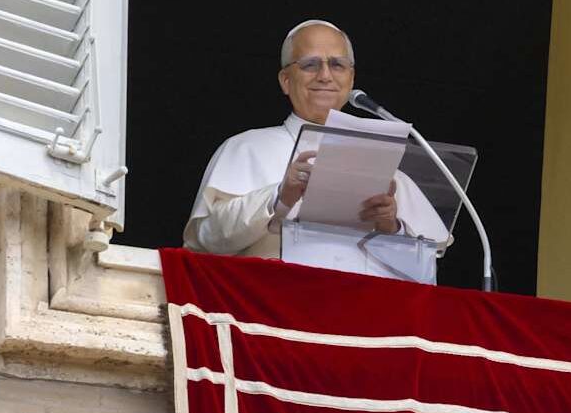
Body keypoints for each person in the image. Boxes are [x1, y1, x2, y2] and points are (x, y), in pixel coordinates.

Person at [183, 20, 447, 257]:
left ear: (351, 78)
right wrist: (279, 197)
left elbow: (428, 260)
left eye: (337, 65)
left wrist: (390, 226)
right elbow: (207, 240)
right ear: (286, 80)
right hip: (268, 305)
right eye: (310, 64)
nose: (325, 75)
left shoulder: (385, 165)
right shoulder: (246, 148)